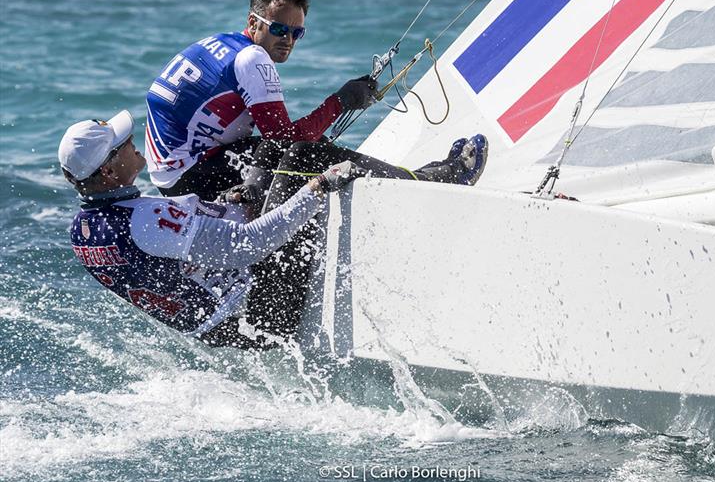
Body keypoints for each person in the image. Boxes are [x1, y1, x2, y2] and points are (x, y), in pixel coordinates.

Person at [59, 110, 489, 348]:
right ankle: (440, 179)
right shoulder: (145, 222)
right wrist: (316, 189)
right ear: (109, 170)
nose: (132, 143)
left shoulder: (84, 230)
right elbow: (247, 246)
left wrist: (232, 202)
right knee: (302, 157)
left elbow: (170, 262)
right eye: (122, 145)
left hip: (224, 324)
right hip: (262, 318)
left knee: (273, 147)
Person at [145, 0, 376, 201]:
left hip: (169, 175)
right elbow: (284, 141)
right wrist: (341, 102)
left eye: (297, 33)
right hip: (189, 178)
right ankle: (384, 180)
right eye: (279, 29)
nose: (288, 40)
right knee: (304, 152)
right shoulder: (252, 58)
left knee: (314, 143)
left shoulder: (221, 42)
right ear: (253, 23)